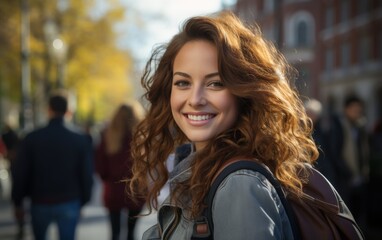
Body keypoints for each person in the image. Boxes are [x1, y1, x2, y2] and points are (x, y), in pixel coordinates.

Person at [128, 12, 320, 239]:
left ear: (244, 93)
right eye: (183, 83)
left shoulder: (239, 185)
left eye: (215, 83)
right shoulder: (198, 167)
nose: (195, 99)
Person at [11, 90, 93, 240]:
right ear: (69, 111)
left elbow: (20, 172)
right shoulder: (80, 139)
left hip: (40, 200)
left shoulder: (32, 138)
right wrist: (84, 200)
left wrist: (17, 202)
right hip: (70, 200)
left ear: (49, 109)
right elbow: (86, 173)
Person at [95, 103, 145, 240]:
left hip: (113, 190)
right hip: (136, 190)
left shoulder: (108, 137)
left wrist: (107, 178)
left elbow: (99, 165)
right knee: (131, 233)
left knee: (114, 233)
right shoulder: (142, 137)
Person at [336, 95, 370, 227]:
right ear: (346, 109)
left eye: (359, 110)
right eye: (354, 109)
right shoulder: (339, 126)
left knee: (359, 213)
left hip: (360, 177)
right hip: (346, 178)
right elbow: (336, 153)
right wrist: (347, 172)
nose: (357, 113)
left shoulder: (361, 126)